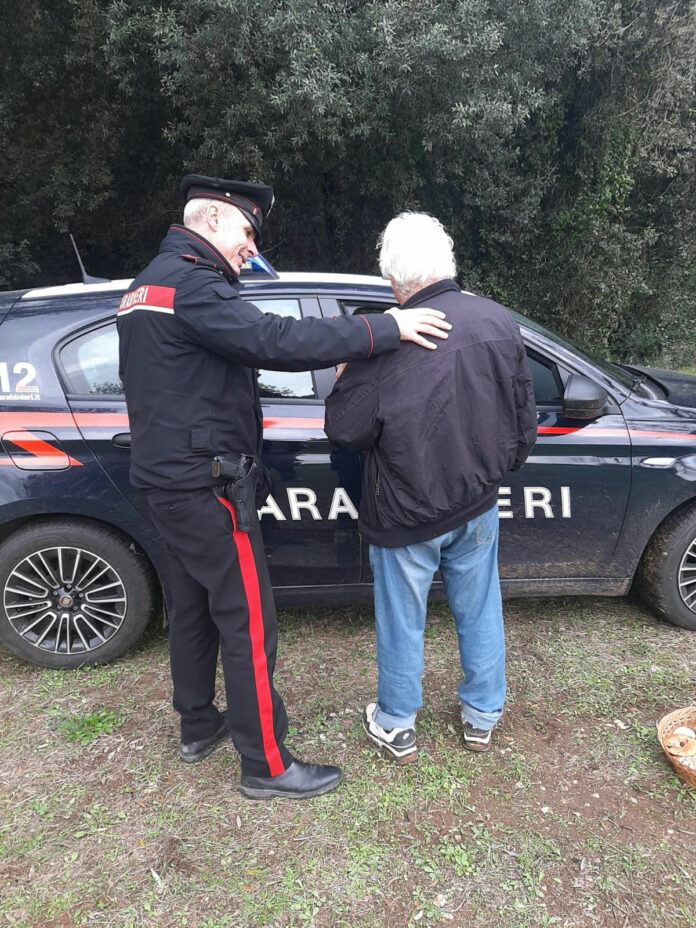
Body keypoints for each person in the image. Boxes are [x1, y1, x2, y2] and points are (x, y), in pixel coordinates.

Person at [117, 176, 450, 800]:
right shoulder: (191, 285)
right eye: (247, 231)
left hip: (164, 479)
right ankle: (266, 765)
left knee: (192, 605)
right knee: (247, 621)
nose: (251, 246)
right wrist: (385, 329)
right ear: (212, 219)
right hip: (204, 485)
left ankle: (196, 724)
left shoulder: (146, 286)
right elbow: (275, 340)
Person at [324, 212, 537, 763]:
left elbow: (345, 430)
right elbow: (523, 417)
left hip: (404, 513)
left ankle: (395, 722)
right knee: (480, 608)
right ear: (447, 263)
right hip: (477, 503)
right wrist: (499, 469)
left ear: (394, 280)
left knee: (403, 618)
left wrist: (349, 368)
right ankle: (482, 717)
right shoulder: (497, 320)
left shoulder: (389, 336)